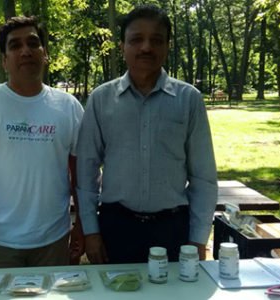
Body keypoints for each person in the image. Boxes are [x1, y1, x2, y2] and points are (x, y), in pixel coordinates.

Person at [76, 4, 218, 264]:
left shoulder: (189, 99)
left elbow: (204, 177)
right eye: (136, 39)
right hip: (115, 228)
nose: (146, 47)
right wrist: (91, 232)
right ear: (122, 46)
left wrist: (198, 239)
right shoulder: (101, 99)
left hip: (173, 229)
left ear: (167, 46)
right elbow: (86, 172)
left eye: (156, 40)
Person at [0, 16, 85, 269]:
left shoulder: (69, 107)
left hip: (53, 239)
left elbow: (80, 173)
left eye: (33, 43)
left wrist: (82, 225)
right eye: (15, 46)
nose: (25, 51)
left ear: (45, 53)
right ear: (4, 60)